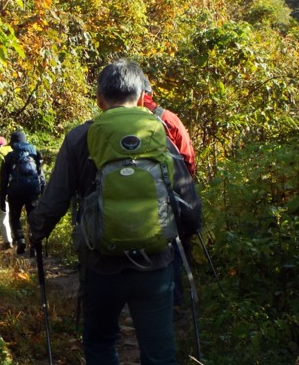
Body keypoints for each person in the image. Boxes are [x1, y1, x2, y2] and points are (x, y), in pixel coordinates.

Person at [29, 59, 202, 365]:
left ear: (99, 99)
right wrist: (185, 234)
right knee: (159, 350)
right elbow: (189, 204)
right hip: (156, 265)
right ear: (140, 97)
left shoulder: (80, 138)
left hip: (101, 264)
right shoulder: (158, 133)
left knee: (100, 342)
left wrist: (37, 232)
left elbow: (54, 199)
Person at [140, 73, 197, 316]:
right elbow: (187, 158)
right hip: (170, 193)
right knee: (172, 244)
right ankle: (172, 302)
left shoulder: (115, 120)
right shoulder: (168, 118)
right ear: (150, 92)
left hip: (134, 197)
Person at [0, 130, 45, 256]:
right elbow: (40, 175)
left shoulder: (9, 157)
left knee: (15, 218)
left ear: (13, 143)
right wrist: (44, 191)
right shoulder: (35, 154)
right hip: (33, 190)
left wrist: (2, 197)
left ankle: (20, 240)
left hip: (16, 191)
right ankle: (34, 245)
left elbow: (3, 180)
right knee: (33, 218)